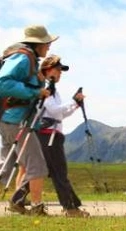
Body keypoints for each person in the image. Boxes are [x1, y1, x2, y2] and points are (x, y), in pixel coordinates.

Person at [0, 25, 58, 215]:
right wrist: (35, 91)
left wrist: (39, 85)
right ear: (38, 43)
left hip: (11, 120)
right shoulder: (24, 58)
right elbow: (3, 82)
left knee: (6, 167)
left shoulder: (28, 59)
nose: (48, 46)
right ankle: (36, 207)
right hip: (16, 121)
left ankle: (17, 202)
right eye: (47, 43)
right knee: (37, 164)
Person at [37, 55, 90, 218]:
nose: (60, 73)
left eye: (61, 71)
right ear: (48, 70)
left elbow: (58, 114)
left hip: (50, 134)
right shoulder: (47, 88)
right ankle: (71, 208)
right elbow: (54, 110)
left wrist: (74, 104)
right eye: (58, 70)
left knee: (44, 170)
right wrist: (73, 102)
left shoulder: (52, 89)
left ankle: (17, 201)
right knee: (59, 172)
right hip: (49, 135)